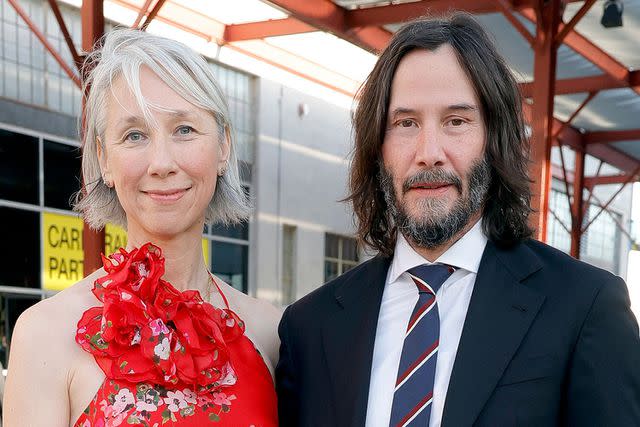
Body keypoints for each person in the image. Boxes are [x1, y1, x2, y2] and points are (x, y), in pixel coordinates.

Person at [276, 13, 640, 427]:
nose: (429, 151)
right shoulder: (310, 327)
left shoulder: (585, 308)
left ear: (494, 139)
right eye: (406, 123)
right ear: (377, 146)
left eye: (456, 121)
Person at [3, 28, 280, 426]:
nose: (161, 162)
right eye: (134, 135)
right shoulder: (45, 334)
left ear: (223, 146)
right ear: (104, 160)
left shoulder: (269, 332)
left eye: (184, 129)